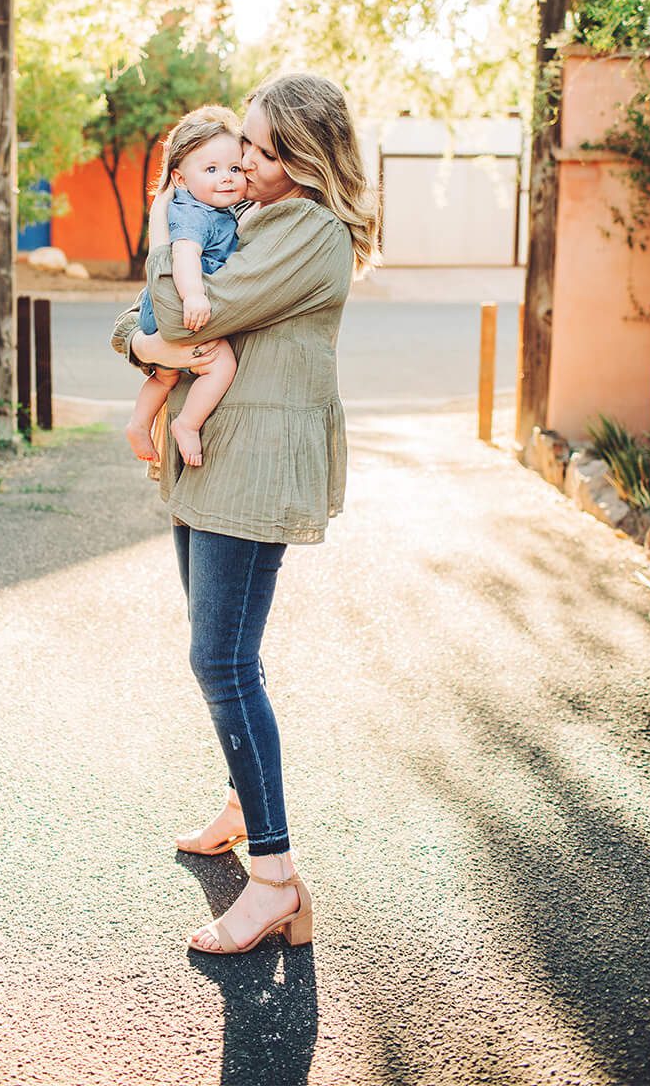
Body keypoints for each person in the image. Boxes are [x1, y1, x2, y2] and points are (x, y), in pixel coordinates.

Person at [109, 71, 379, 955]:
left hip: (253, 469)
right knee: (225, 651)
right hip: (215, 462)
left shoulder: (307, 230)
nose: (246, 164)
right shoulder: (255, 222)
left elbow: (182, 310)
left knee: (220, 660)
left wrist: (150, 312)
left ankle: (275, 880)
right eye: (245, 149)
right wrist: (147, 337)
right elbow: (162, 324)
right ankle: (241, 800)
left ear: (303, 156)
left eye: (262, 149)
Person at [123, 107, 249, 470]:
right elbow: (184, 255)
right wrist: (194, 295)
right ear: (179, 179)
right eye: (211, 170)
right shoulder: (195, 213)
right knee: (222, 364)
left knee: (165, 374)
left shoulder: (212, 208)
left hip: (158, 307)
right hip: (176, 303)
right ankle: (187, 423)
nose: (225, 178)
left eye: (234, 169)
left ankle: (138, 423)